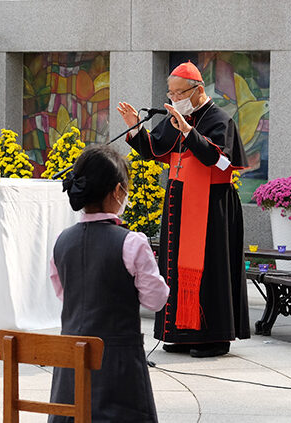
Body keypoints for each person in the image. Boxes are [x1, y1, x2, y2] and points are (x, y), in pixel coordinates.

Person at [117, 60, 250, 358]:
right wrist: (134, 128)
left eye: (179, 93)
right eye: (171, 92)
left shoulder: (219, 119)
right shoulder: (177, 117)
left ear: (198, 90)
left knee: (211, 269)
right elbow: (155, 150)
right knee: (174, 269)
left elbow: (221, 161)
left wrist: (189, 131)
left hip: (211, 208)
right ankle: (182, 333)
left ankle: (214, 337)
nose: (173, 98)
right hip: (179, 203)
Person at [49, 144, 169, 423]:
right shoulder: (132, 242)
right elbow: (156, 300)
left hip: (69, 377)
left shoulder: (61, 241)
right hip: (118, 374)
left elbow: (63, 294)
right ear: (117, 192)